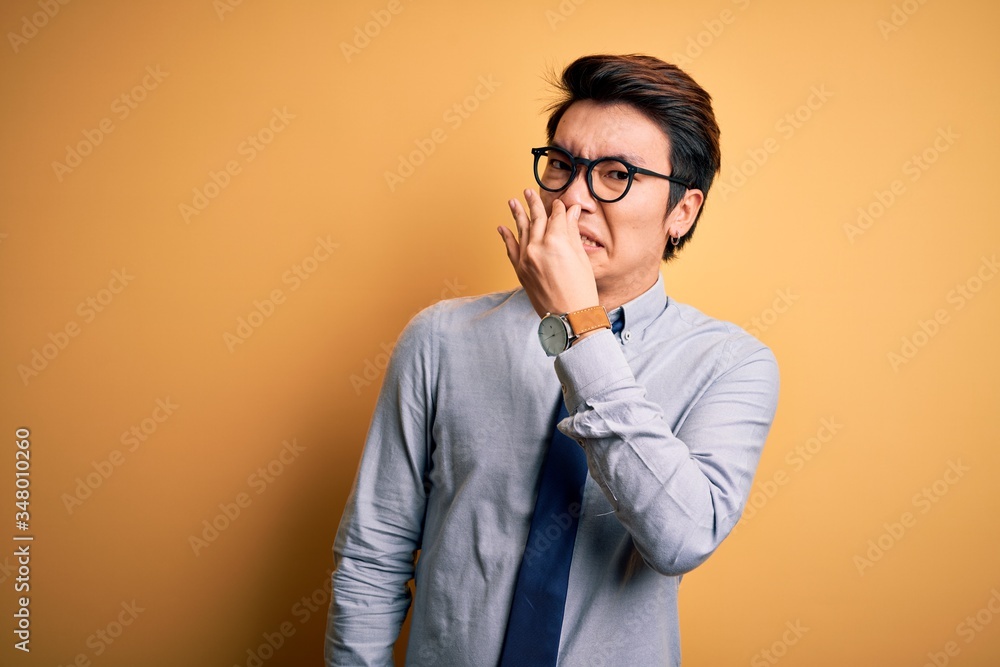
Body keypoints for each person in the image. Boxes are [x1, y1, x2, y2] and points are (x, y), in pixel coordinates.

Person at [326, 54, 780, 666]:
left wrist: (579, 329)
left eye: (616, 174)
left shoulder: (732, 365)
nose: (573, 197)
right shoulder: (440, 338)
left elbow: (681, 537)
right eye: (563, 165)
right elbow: (372, 555)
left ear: (682, 212)